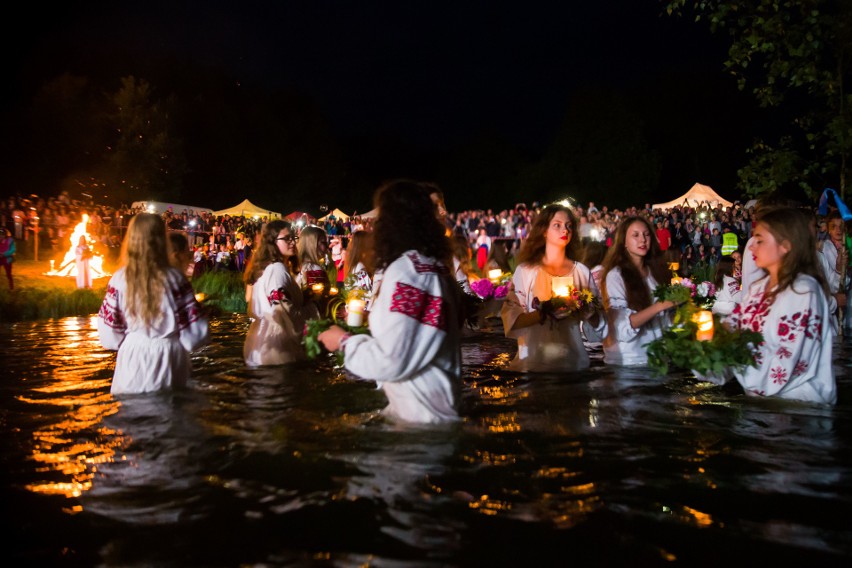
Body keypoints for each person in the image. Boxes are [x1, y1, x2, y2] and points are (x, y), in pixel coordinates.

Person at [317, 179, 461, 424]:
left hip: (420, 421)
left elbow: (393, 358)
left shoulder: (409, 272)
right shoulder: (431, 267)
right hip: (425, 412)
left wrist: (343, 342)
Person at [710, 207, 836, 405]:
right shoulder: (758, 289)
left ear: (785, 245)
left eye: (759, 240)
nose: (751, 247)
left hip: (800, 408)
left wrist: (731, 352)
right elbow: (734, 324)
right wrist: (708, 340)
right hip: (761, 405)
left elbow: (788, 360)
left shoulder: (804, 291)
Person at [97, 213, 209, 394]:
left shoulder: (119, 279)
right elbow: (195, 334)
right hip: (167, 360)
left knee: (130, 416)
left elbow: (109, 334)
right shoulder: (175, 278)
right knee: (168, 415)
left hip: (132, 359)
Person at [500, 204, 606, 372]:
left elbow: (601, 326)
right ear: (544, 231)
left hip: (573, 363)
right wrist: (545, 312)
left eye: (569, 226)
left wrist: (588, 310)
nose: (565, 230)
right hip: (534, 364)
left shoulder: (581, 272)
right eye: (557, 225)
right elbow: (512, 321)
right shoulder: (526, 271)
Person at [600, 216, 676, 366]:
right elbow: (621, 327)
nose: (642, 240)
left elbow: (666, 320)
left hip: (658, 358)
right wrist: (659, 306)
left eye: (646, 234)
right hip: (630, 361)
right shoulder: (616, 276)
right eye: (635, 235)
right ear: (624, 242)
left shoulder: (657, 273)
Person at [243, 219, 311, 366]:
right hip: (276, 350)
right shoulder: (277, 269)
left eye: (293, 237)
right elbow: (282, 311)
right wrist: (314, 309)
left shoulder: (266, 269)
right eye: (287, 238)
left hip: (260, 345)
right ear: (273, 242)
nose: (293, 241)